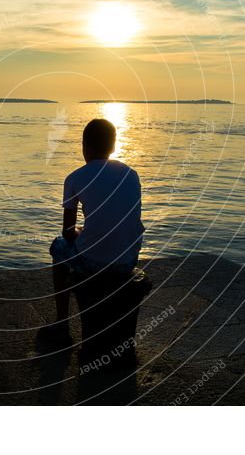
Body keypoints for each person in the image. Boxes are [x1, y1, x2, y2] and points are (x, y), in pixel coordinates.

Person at [38, 118, 145, 346]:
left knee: (58, 248)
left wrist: (80, 232)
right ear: (114, 147)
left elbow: (67, 232)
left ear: (84, 145)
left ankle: (62, 325)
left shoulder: (75, 178)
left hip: (96, 262)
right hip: (128, 260)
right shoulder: (131, 174)